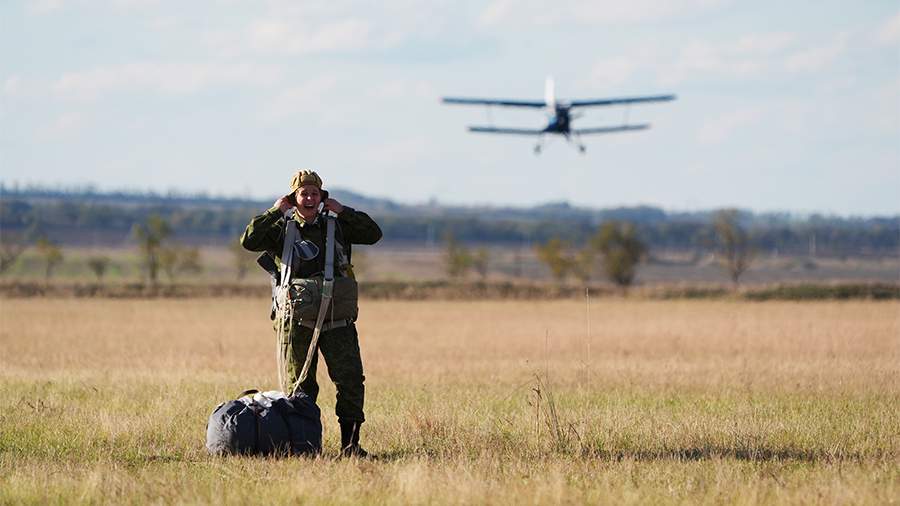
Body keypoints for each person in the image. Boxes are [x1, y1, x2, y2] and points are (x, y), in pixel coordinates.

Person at [240, 169, 382, 457]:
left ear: (321, 197)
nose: (309, 198)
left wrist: (343, 211)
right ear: (293, 197)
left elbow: (373, 233)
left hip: (337, 319)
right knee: (300, 386)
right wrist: (275, 211)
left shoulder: (337, 225)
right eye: (303, 193)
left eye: (314, 193)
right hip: (296, 321)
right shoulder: (281, 228)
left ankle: (351, 446)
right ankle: (305, 447)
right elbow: (249, 240)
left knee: (351, 381)